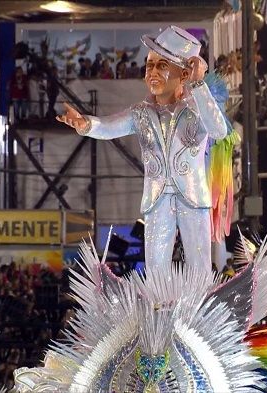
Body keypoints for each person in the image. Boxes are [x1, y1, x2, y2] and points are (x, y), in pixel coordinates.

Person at [57, 25, 228, 272]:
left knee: (198, 268)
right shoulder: (141, 113)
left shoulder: (197, 107)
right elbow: (108, 126)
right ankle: (158, 309)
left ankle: (200, 310)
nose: (152, 73)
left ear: (183, 75)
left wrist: (200, 85)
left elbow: (219, 131)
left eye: (162, 66)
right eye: (149, 65)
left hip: (193, 199)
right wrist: (85, 124)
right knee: (156, 269)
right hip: (156, 200)